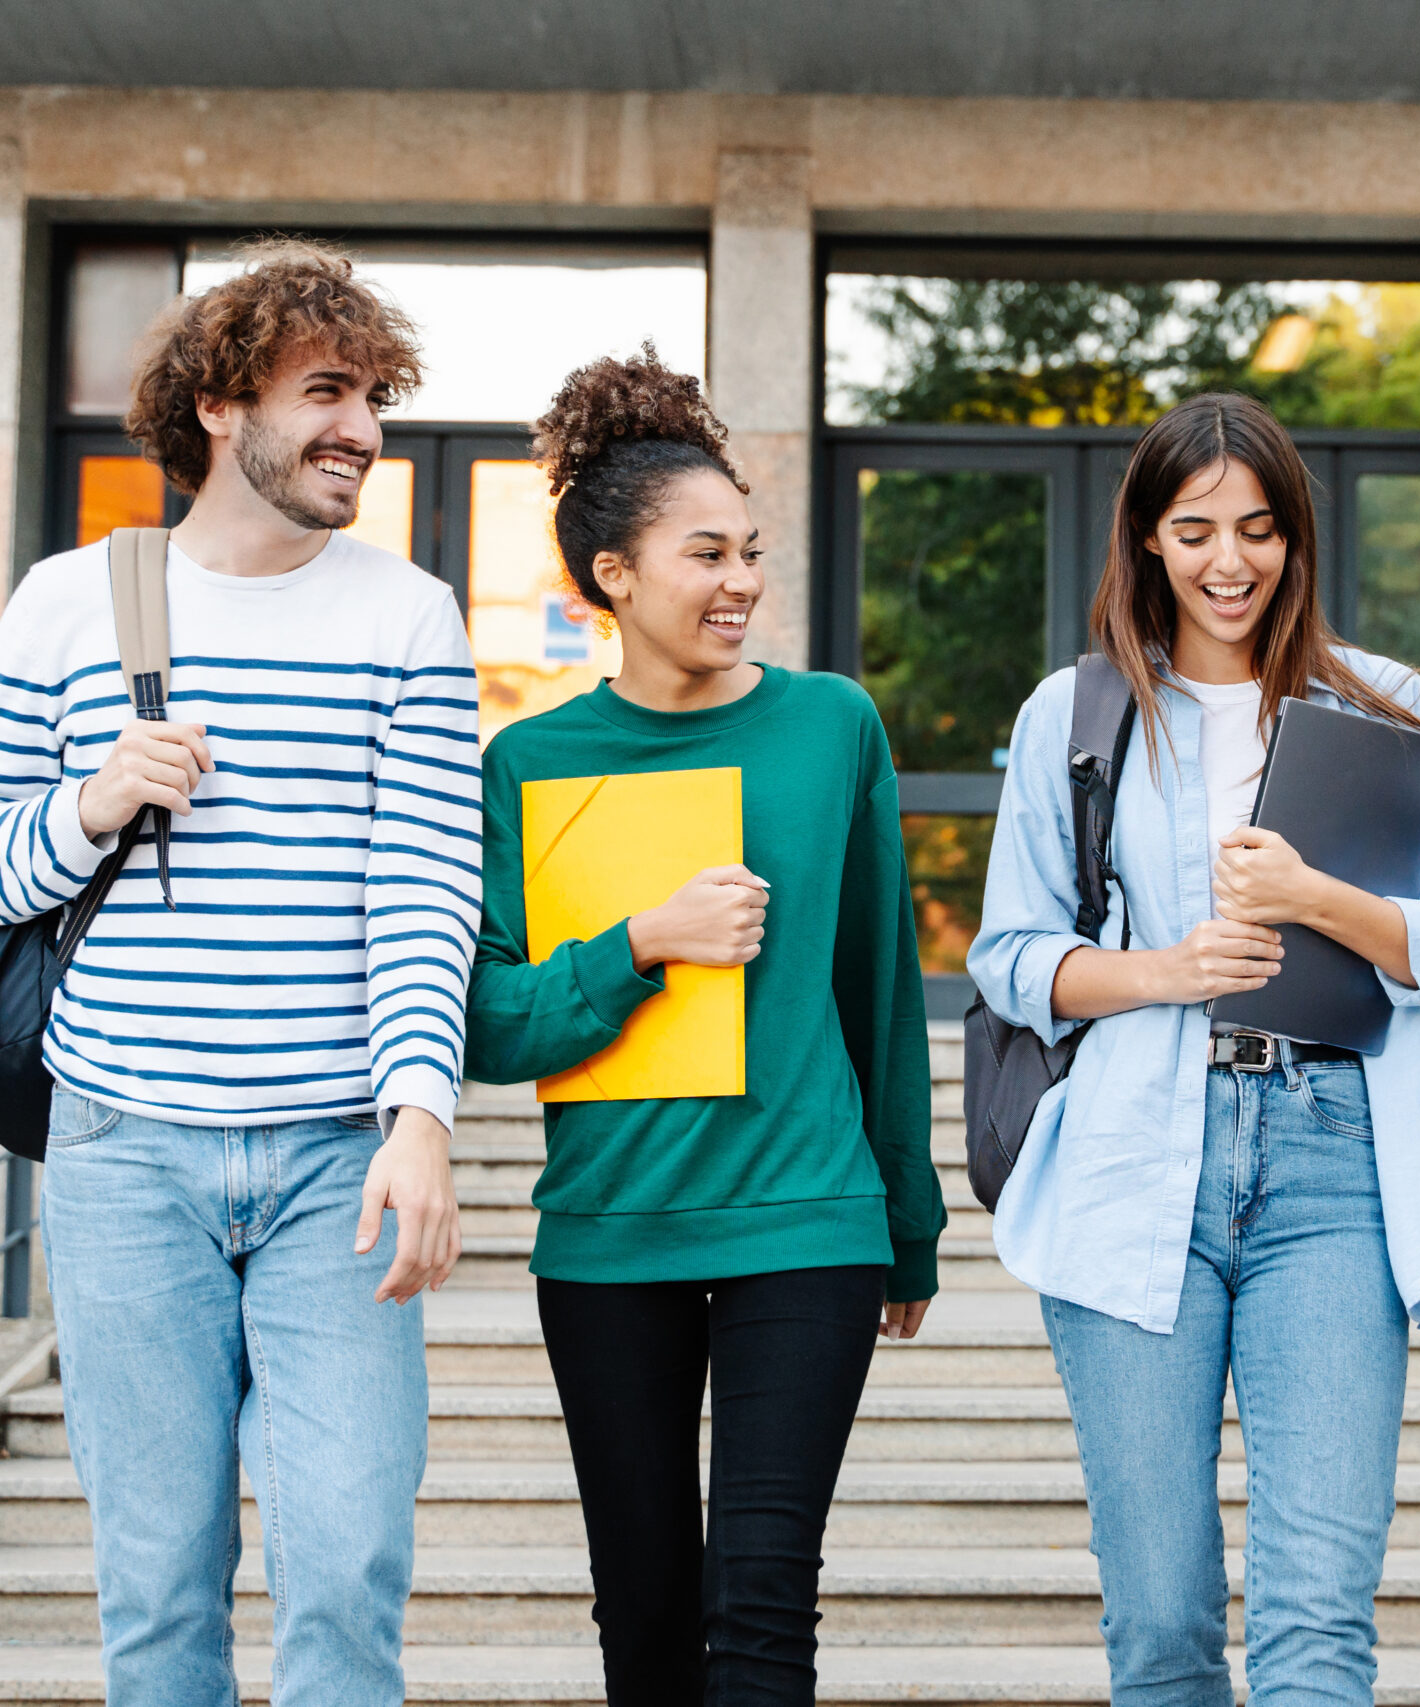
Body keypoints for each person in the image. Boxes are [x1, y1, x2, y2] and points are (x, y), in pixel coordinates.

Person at [0, 241, 479, 1706]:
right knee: (159, 1588)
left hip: (335, 1163)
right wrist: (91, 804)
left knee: (348, 1571)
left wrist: (422, 1116)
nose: (361, 427)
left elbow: (424, 887)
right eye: (325, 392)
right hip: (121, 1155)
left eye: (372, 395)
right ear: (221, 409)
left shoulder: (406, 616)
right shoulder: (66, 602)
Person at [969, 392, 1420, 1706]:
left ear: (1297, 540)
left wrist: (1317, 901)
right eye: (1198, 529)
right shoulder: (1080, 714)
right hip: (1128, 1159)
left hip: (1335, 1162)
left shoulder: (1391, 708)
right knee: (1160, 1622)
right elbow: (1008, 957)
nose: (1232, 561)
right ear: (1148, 541)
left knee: (1316, 1623)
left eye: (1261, 530)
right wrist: (1166, 972)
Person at [464, 348, 943, 1706]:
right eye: (705, 553)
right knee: (649, 1617)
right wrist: (638, 947)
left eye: (751, 551)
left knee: (763, 1608)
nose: (741, 580)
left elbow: (880, 992)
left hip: (808, 1218)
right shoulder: (529, 763)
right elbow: (490, 1024)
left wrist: (907, 1222)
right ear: (615, 574)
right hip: (610, 1235)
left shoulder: (830, 727)